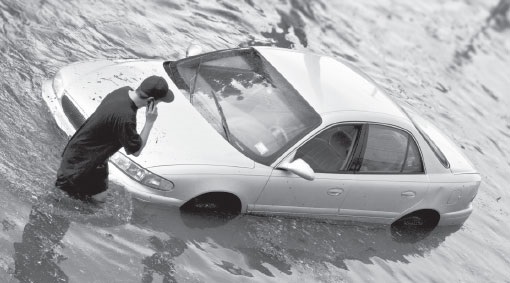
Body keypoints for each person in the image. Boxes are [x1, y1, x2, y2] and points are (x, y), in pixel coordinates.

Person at [55, 76, 174, 201]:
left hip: (91, 157)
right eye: (159, 102)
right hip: (79, 165)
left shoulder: (122, 91)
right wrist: (150, 122)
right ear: (151, 100)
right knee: (61, 201)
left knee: (100, 199)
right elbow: (136, 151)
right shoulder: (125, 117)